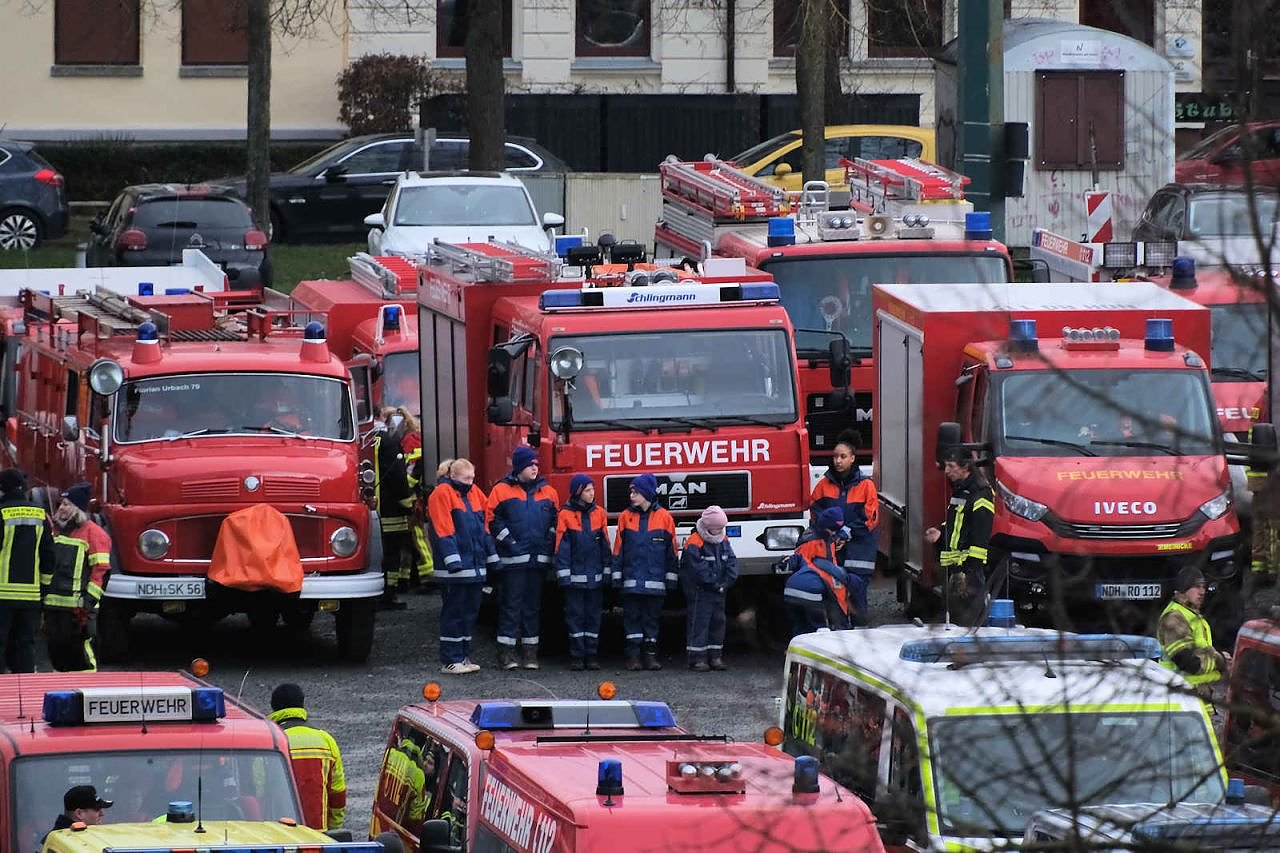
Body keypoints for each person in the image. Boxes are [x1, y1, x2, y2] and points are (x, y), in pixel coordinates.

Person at [486, 446, 559, 670]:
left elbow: (555, 522)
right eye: (530, 465)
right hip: (513, 561)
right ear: (519, 467)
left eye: (536, 465)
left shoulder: (549, 492)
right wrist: (510, 543)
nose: (535, 468)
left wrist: (547, 543)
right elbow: (492, 521)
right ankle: (506, 653)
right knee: (511, 606)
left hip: (538, 561)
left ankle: (530, 653)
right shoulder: (501, 490)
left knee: (532, 608)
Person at [427, 458, 497, 674]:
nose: (470, 482)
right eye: (466, 478)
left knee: (469, 614)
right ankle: (450, 659)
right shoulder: (442, 493)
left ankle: (463, 656)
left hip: (473, 567)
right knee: (454, 613)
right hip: (455, 569)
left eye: (472, 478)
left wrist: (491, 555)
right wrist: (453, 560)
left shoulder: (474, 493)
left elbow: (485, 526)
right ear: (453, 476)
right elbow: (443, 529)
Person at [810, 430, 878, 625]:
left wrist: (845, 533)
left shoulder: (866, 486)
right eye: (835, 457)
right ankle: (840, 635)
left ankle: (859, 634)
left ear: (852, 458)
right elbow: (815, 514)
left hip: (859, 553)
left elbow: (870, 518)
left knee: (857, 598)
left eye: (843, 456)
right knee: (835, 597)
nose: (838, 461)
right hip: (834, 550)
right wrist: (830, 533)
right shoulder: (823, 485)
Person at [42, 482, 111, 672]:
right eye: (60, 504)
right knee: (57, 652)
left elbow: (101, 571)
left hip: (78, 608)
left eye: (66, 504)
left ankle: (87, 686)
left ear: (77, 508)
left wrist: (87, 603)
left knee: (81, 655)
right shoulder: (55, 531)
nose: (61, 508)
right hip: (54, 606)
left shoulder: (94, 534)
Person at [613, 472, 678, 671]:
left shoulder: (665, 518)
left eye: (636, 492)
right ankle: (633, 657)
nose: (631, 496)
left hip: (655, 583)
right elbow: (618, 550)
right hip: (631, 583)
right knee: (631, 620)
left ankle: (650, 656)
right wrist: (616, 577)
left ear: (647, 493)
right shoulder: (625, 517)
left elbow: (671, 552)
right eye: (631, 492)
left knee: (651, 621)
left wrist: (671, 579)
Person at [924, 450, 995, 626]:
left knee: (969, 624)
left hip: (969, 573)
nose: (946, 471)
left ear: (966, 467)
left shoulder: (980, 493)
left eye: (951, 466)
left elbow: (980, 537)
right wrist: (940, 532)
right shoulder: (961, 490)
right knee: (953, 623)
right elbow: (957, 524)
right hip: (955, 569)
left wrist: (968, 571)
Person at [268, 683, 347, 831]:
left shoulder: (270, 741)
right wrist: (333, 829)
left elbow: (259, 790)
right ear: (302, 704)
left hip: (279, 834)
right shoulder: (326, 740)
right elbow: (338, 793)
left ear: (273, 707)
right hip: (317, 835)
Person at [0, 467, 54, 673]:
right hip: (31, 595)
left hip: (2, 595)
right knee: (26, 644)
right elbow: (49, 555)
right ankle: (24, 686)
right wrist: (44, 588)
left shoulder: (1, 513)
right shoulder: (40, 515)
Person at [554, 473, 610, 671]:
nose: (592, 493)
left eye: (592, 489)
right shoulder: (565, 515)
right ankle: (577, 656)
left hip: (595, 579)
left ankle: (592, 655)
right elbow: (562, 548)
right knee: (575, 617)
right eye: (587, 490)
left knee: (594, 617)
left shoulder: (600, 513)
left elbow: (605, 545)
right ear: (578, 493)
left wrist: (607, 570)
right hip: (574, 580)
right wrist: (564, 575)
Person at [1157, 566, 1230, 699]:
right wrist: (1220, 660)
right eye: (1196, 587)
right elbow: (1188, 663)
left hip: (1198, 694)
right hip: (1182, 695)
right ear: (1184, 589)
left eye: (1203, 587)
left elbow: (1200, 651)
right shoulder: (1174, 617)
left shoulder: (1191, 615)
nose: (1202, 592)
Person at [680, 505, 738, 671]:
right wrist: (716, 584)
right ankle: (697, 658)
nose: (719, 530)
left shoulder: (723, 539)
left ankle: (715, 656)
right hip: (700, 592)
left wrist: (726, 582)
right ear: (707, 526)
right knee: (699, 624)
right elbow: (698, 570)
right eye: (717, 527)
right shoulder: (694, 542)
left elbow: (732, 562)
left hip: (718, 590)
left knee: (718, 623)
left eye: (721, 527)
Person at [784, 507, 852, 636]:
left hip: (801, 587)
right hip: (810, 588)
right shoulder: (812, 542)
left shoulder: (826, 537)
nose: (834, 533)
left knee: (804, 628)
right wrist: (843, 625)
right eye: (832, 530)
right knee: (815, 629)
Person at [373, 408, 412, 610]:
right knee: (392, 552)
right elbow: (398, 476)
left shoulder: (364, 440)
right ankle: (389, 594)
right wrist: (407, 502)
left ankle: (374, 592)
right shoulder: (389, 441)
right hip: (391, 509)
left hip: (370, 508)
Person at [398, 409, 434, 592]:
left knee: (417, 536)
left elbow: (413, 469)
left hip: (412, 497)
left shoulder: (410, 440)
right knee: (407, 539)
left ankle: (428, 576)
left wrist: (405, 488)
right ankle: (405, 578)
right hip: (411, 496)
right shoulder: (411, 439)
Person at [45, 784, 111, 840]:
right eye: (97, 809)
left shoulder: (69, 837)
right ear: (79, 813)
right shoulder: (63, 841)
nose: (102, 814)